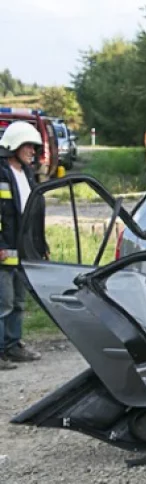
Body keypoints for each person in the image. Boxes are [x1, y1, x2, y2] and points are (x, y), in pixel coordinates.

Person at [0, 121, 46, 368]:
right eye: (28, 145)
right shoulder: (1, 173)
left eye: (34, 146)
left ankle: (13, 345)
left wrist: (41, 244)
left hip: (22, 248)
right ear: (13, 146)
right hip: (4, 248)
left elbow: (34, 213)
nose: (32, 151)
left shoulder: (27, 174)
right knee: (3, 303)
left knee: (18, 301)